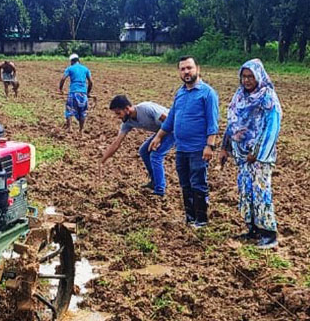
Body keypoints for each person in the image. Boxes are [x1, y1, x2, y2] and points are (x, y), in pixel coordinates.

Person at [149, 56, 219, 228]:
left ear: (197, 69)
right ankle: (190, 218)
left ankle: (201, 220)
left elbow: (213, 122)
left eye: (189, 68)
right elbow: (171, 118)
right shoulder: (180, 93)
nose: (187, 72)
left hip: (198, 148)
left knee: (198, 183)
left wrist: (209, 145)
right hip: (181, 148)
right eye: (183, 69)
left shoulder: (208, 93)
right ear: (179, 72)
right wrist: (159, 137)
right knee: (185, 183)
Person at [219, 59, 282, 249]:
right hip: (242, 154)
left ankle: (269, 234)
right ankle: (252, 229)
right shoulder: (239, 96)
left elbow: (273, 126)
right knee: (246, 191)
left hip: (260, 157)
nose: (246, 80)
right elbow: (233, 124)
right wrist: (225, 147)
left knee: (260, 191)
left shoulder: (268, 97)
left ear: (259, 76)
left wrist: (258, 152)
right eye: (244, 77)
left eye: (250, 77)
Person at [100, 95, 173, 196]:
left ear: (127, 109)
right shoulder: (127, 122)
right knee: (143, 151)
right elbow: (116, 143)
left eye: (118, 113)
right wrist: (102, 161)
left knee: (156, 155)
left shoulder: (146, 108)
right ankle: (154, 182)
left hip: (174, 128)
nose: (118, 117)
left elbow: (169, 121)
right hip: (161, 131)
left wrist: (159, 138)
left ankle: (160, 190)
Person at [59, 53, 92, 133]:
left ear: (71, 61)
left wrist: (61, 89)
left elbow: (63, 79)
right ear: (79, 60)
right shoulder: (85, 69)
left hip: (73, 93)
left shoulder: (70, 68)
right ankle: (81, 130)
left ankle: (70, 128)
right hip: (83, 94)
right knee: (82, 112)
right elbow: (90, 82)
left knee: (69, 109)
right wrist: (87, 93)